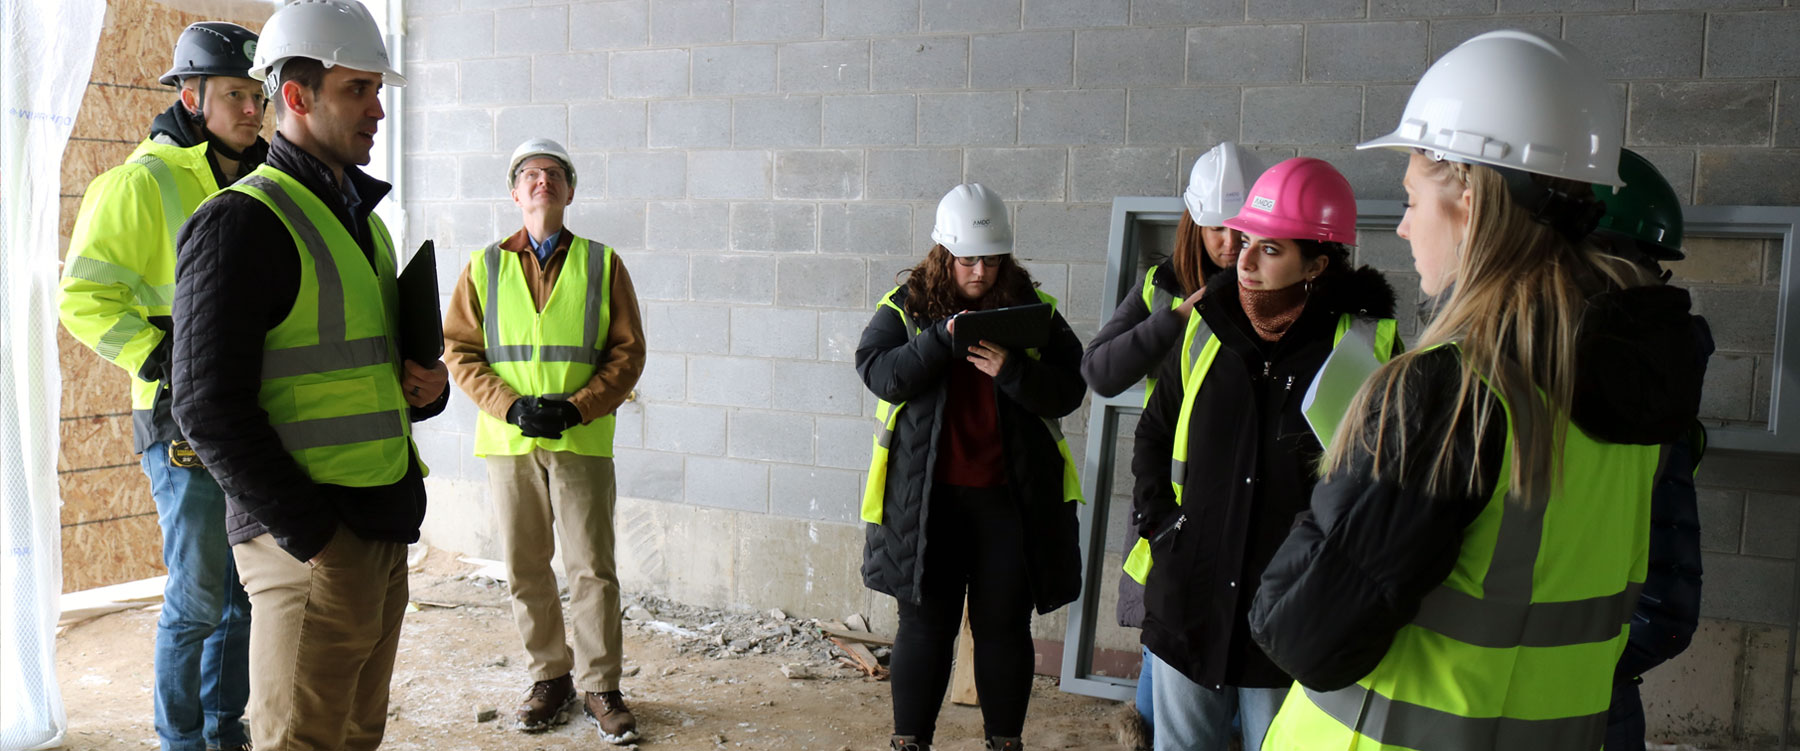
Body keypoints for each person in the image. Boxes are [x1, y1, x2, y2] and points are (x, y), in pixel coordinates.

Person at [1249, 30, 1708, 750]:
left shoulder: (1449, 390)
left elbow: (1299, 632)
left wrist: (1339, 486)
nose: (1401, 227)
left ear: (1466, 195)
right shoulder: (1637, 399)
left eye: (1410, 199)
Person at [169, 1, 449, 748]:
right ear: (297, 97)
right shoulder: (241, 222)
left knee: (357, 733)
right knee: (300, 737)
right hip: (312, 542)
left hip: (378, 525)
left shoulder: (365, 223)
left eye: (377, 89)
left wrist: (429, 386)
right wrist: (319, 539)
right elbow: (205, 406)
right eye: (359, 88)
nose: (378, 108)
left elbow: (365, 371)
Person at [1131, 157, 1399, 751]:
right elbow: (1152, 436)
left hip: (1289, 618)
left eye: (1269, 250)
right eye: (1245, 241)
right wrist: (1163, 526)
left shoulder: (1362, 350)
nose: (1243, 261)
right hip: (1190, 599)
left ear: (1318, 264)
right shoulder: (1204, 328)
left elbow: (1378, 492)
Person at [56, 21, 266, 751]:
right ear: (191, 93)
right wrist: (161, 355)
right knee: (199, 593)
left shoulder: (263, 183)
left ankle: (222, 728)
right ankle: (181, 738)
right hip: (178, 421)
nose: (251, 108)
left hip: (250, 418)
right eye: (235, 93)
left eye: (258, 94)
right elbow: (82, 299)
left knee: (240, 594)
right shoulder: (141, 182)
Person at [856, 183, 1087, 751]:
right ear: (944, 256)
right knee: (923, 630)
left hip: (1008, 503)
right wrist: (940, 340)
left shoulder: (1033, 312)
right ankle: (910, 742)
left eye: (990, 260)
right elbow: (879, 372)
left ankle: (1004, 742)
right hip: (925, 503)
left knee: (1004, 629)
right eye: (967, 261)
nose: (979, 272)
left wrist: (1013, 370)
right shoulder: (904, 309)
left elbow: (1069, 388)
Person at [442, 137, 647, 744]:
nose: (541, 182)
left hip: (579, 441)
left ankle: (601, 685)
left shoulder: (603, 264)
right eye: (529, 174)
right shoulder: (484, 266)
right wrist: (510, 405)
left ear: (569, 190)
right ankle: (550, 677)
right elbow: (460, 350)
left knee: (591, 569)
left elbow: (628, 353)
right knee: (526, 568)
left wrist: (578, 408)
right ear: (514, 192)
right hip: (509, 443)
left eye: (553, 174)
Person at [1080, 141, 1260, 750]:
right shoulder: (1164, 286)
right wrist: (1176, 318)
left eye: (1244, 230)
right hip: (1175, 505)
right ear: (1194, 223)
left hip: (1250, 504)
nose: (1232, 247)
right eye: (1217, 231)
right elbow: (1101, 371)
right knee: (1170, 644)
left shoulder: (1278, 293)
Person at [1591, 148, 1709, 751]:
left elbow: (1663, 612)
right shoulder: (1652, 383)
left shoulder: (1631, 397)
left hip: (1581, 712)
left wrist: (1564, 659)